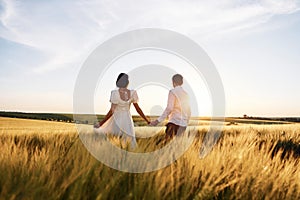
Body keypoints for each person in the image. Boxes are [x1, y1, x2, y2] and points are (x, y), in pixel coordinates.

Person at [94, 73, 150, 148]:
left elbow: (112, 111)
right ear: (127, 82)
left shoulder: (114, 93)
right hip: (127, 120)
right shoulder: (133, 93)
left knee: (115, 142)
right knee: (128, 142)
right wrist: (147, 120)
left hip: (116, 120)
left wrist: (101, 123)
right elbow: (138, 109)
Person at [150, 74, 191, 142]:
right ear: (182, 82)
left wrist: (157, 121)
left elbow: (169, 108)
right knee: (177, 145)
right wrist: (186, 122)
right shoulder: (186, 94)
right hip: (183, 124)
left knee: (166, 143)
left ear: (173, 82)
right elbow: (189, 110)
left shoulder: (173, 92)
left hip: (174, 122)